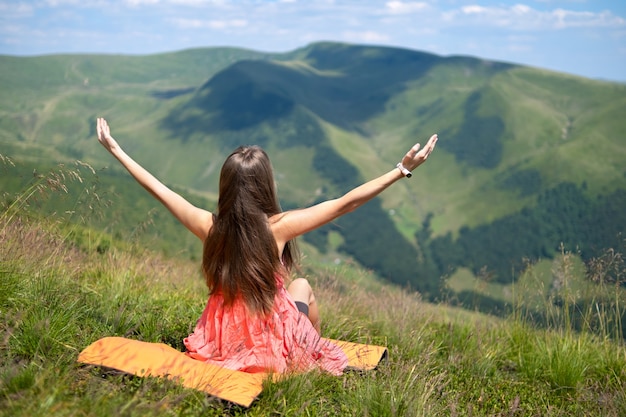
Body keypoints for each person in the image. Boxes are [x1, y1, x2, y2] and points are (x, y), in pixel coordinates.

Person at [95, 117, 438, 375]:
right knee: (301, 285)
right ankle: (307, 354)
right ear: (265, 185)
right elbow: (344, 203)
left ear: (225, 186)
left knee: (295, 289)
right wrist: (400, 170)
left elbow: (160, 190)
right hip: (269, 338)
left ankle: (302, 351)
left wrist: (116, 149)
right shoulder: (278, 228)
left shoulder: (209, 226)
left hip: (220, 339)